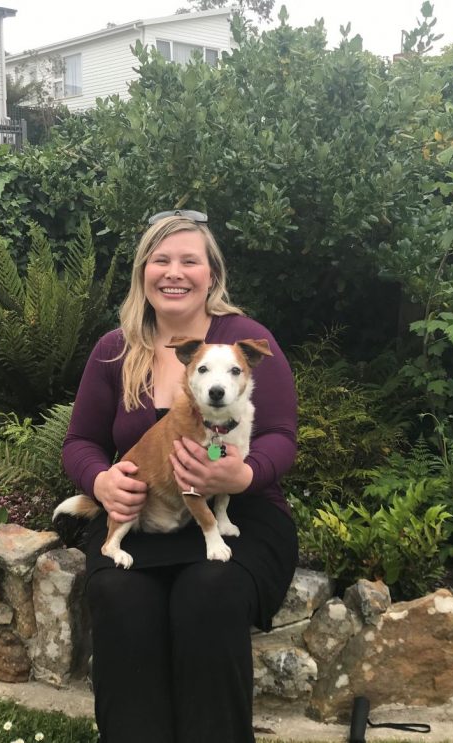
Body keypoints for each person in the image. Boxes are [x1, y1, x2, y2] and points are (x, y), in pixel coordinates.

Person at [61, 209, 299, 743]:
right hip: (144, 510)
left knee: (209, 595)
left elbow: (282, 435)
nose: (174, 272)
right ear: (142, 272)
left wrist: (244, 476)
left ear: (211, 274)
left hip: (244, 515)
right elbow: (79, 443)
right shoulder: (115, 349)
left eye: (189, 260)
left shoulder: (246, 340)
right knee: (122, 603)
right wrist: (101, 482)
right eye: (160, 259)